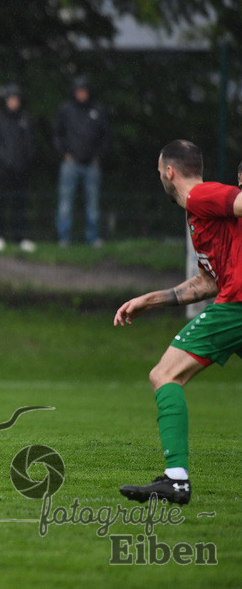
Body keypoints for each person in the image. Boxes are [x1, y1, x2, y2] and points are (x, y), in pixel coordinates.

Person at [113, 139, 242, 505]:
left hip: (237, 305)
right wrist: (148, 301)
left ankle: (175, 480)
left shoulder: (203, 196)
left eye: (159, 172)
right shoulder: (199, 214)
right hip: (230, 296)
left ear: (169, 172)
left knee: (164, 375)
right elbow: (207, 283)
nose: (160, 178)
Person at [52, 75, 112, 247]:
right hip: (70, 163)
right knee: (65, 203)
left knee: (92, 204)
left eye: (84, 91)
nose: (81, 94)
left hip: (91, 164)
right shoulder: (66, 110)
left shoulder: (97, 110)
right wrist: (64, 153)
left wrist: (98, 157)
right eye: (78, 91)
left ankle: (92, 238)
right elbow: (57, 133)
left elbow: (106, 136)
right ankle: (63, 239)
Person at [0, 83, 36, 252]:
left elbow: (30, 144)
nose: (13, 102)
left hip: (20, 170)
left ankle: (21, 238)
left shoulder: (25, 119)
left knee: (20, 205)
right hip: (1, 170)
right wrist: (0, 162)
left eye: (16, 99)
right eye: (10, 98)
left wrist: (24, 162)